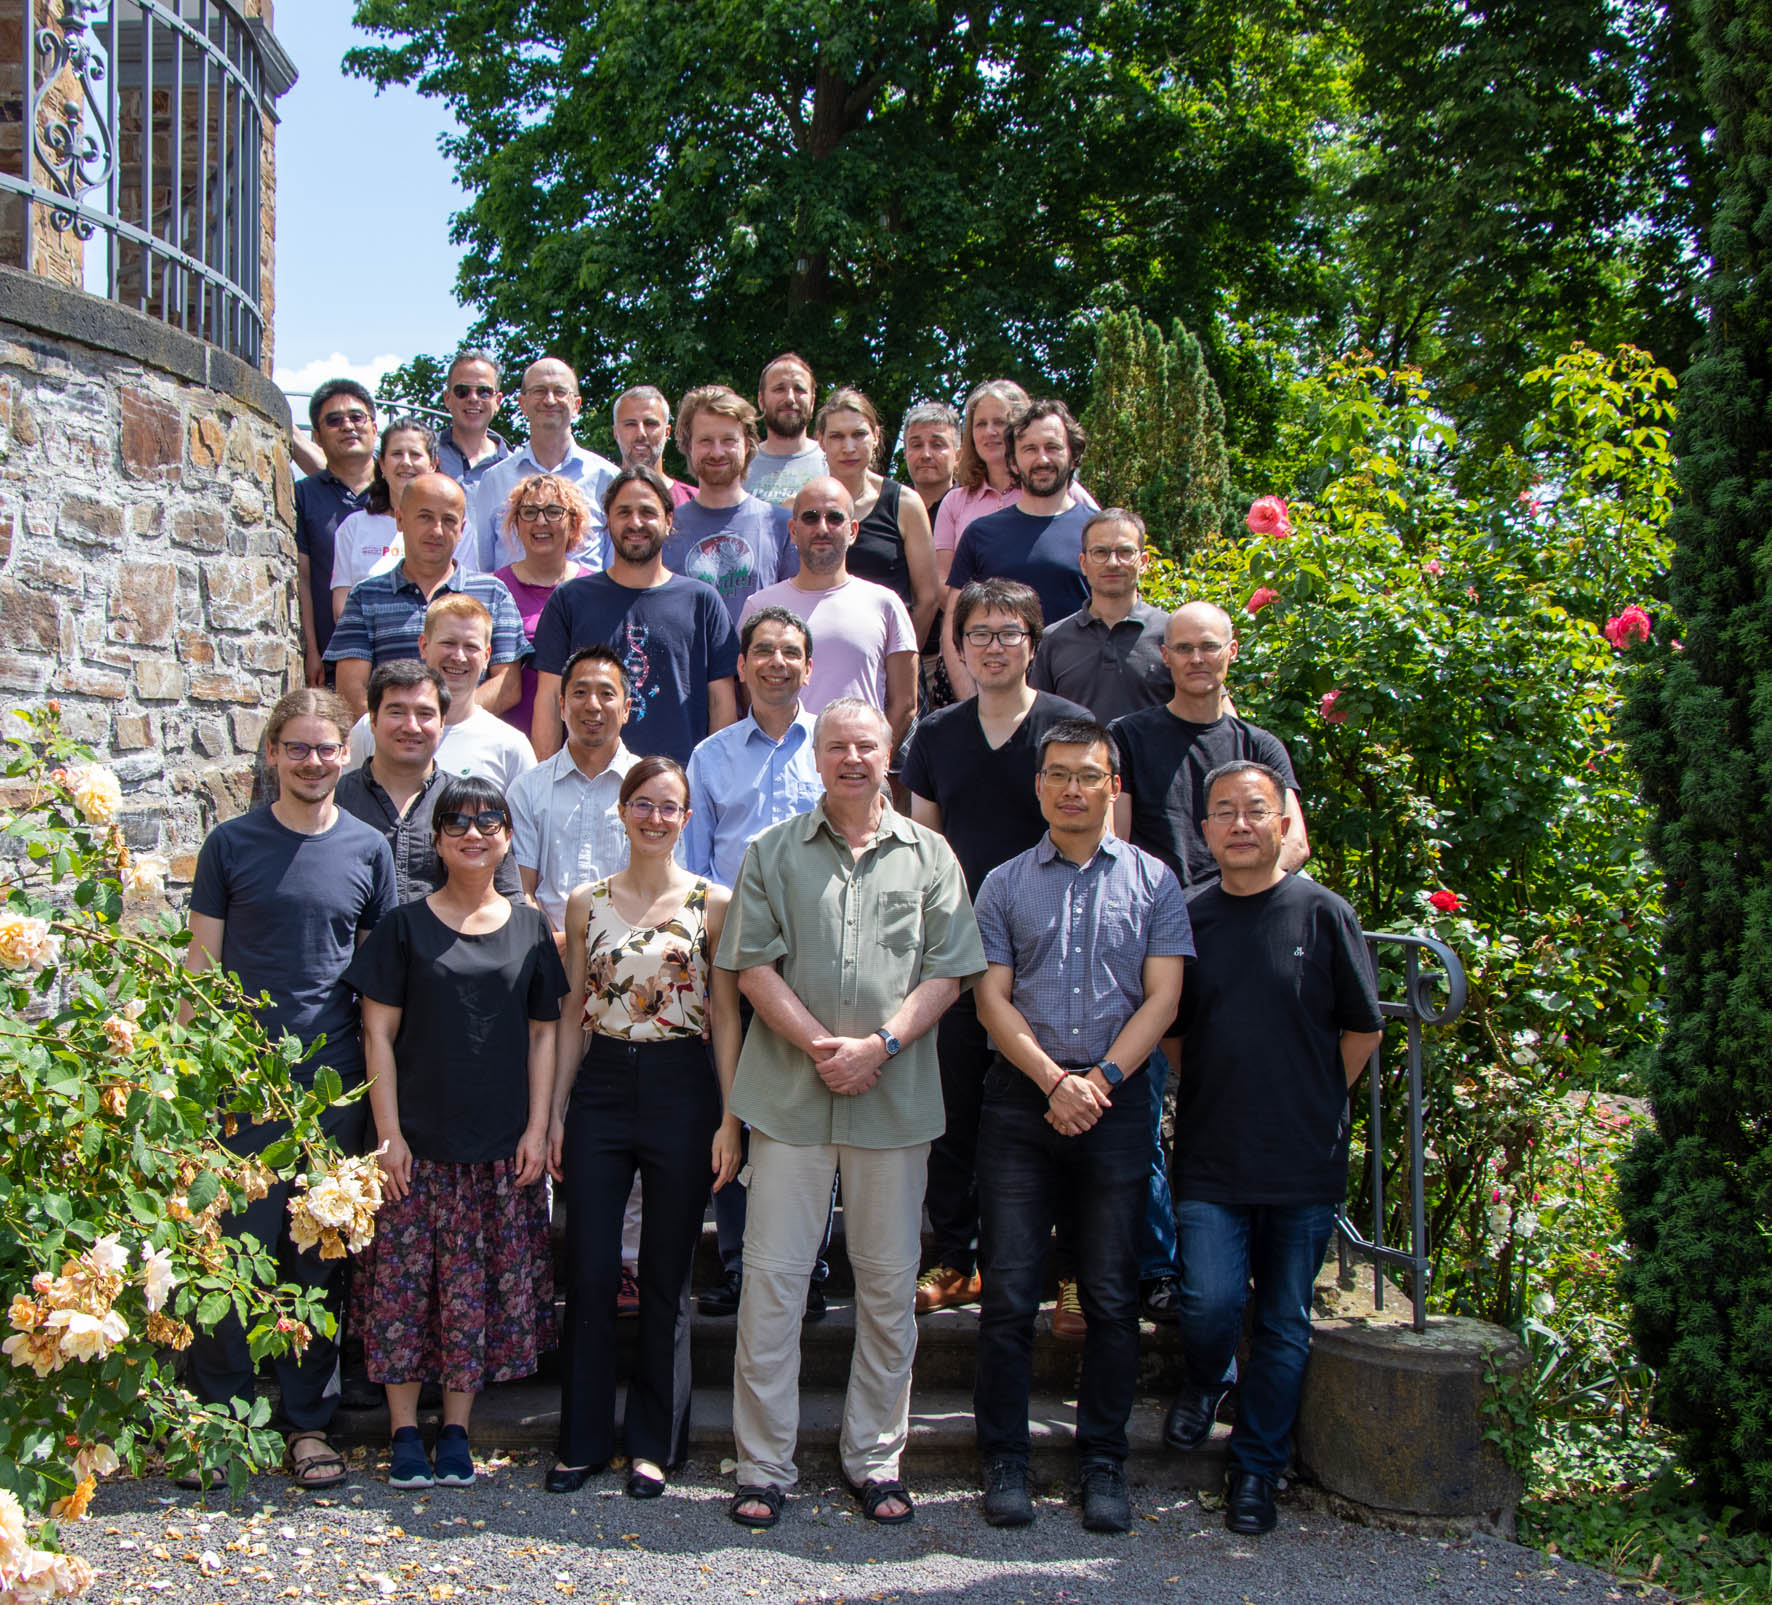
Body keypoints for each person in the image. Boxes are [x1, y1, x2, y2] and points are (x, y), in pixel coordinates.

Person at [717, 699, 986, 1531]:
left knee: (888, 1288)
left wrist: (880, 1045)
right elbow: (752, 966)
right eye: (836, 745)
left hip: (894, 1103)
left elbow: (949, 971)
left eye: (866, 744)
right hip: (790, 1101)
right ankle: (763, 1465)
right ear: (818, 757)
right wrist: (824, 1047)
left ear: (888, 751)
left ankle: (875, 1459)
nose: (852, 758)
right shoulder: (773, 850)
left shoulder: (931, 855)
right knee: (772, 1286)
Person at [970, 718, 1191, 1533]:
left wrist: (1096, 1082)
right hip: (1021, 1097)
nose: (1072, 788)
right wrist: (1053, 1081)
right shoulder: (1002, 884)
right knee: (1010, 1292)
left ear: (1112, 786)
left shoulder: (1154, 881)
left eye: (1088, 775)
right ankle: (1005, 1457)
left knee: (1108, 1292)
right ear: (1039, 786)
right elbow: (990, 1000)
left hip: (1116, 1098)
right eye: (1058, 774)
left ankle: (1103, 1460)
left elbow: (1163, 998)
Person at [183, 688, 397, 1490]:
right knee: (232, 1253)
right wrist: (187, 1080)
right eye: (298, 747)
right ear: (272, 752)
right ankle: (220, 1427)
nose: (313, 761)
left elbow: (377, 989)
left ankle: (308, 1424)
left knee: (316, 1257)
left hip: (331, 1090)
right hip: (242, 1086)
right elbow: (200, 967)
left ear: (346, 754)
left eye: (327, 748)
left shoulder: (369, 850)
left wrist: (380, 1100)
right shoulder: (230, 844)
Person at [1164, 760, 1383, 1536]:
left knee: (1285, 1320)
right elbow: (1175, 1033)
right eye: (1224, 811)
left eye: (1255, 809)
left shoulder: (1324, 913)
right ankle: (1206, 1378)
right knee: (1211, 1301)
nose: (1240, 823)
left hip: (1302, 1157)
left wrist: (1314, 1094)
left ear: (1283, 823)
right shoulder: (1188, 916)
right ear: (1205, 830)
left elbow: (1363, 1028)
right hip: (1213, 1151)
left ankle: (1256, 1467)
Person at [348, 776, 567, 1489]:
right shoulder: (403, 926)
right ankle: (403, 1430)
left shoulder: (531, 928)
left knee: (472, 1292)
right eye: (457, 823)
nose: (474, 833)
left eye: (488, 820)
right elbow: (377, 1035)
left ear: (508, 835)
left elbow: (544, 1034)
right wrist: (388, 1134)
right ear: (438, 841)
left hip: (498, 1147)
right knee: (403, 1292)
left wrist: (538, 1126)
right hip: (416, 1145)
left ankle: (456, 1430)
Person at [546, 758, 742, 1498]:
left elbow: (727, 1017)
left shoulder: (712, 903)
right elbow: (571, 1014)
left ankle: (654, 1444)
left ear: (687, 819)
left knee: (666, 1274)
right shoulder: (584, 903)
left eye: (670, 807)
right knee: (592, 1269)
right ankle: (583, 1440)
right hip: (600, 1085)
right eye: (643, 804)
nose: (655, 817)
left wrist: (730, 1117)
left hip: (681, 1086)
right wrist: (556, 1111)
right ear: (623, 811)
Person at [901, 580, 1089, 1319]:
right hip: (959, 952)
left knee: (1059, 1104)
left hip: (1053, 952)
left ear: (1033, 644)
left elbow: (1098, 838)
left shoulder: (1070, 727)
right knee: (954, 1109)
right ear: (959, 647)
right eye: (978, 633)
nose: (993, 646)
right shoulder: (936, 736)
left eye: (1010, 632)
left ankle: (1068, 1269)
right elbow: (926, 849)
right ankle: (956, 1258)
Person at [681, 607, 830, 1321]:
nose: (776, 662)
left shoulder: (833, 746)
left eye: (790, 651)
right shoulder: (710, 757)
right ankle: (741, 1264)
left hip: (817, 958)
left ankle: (810, 1268)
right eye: (762, 651)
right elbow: (693, 867)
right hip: (734, 960)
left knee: (810, 1113)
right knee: (735, 1109)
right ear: (740, 666)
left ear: (809, 666)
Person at [530, 467, 740, 765]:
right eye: (624, 512)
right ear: (608, 520)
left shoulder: (702, 602)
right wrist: (545, 781)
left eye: (647, 512)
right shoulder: (570, 600)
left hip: (678, 784)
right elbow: (551, 700)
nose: (635, 522)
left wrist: (715, 781)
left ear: (669, 520)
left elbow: (721, 705)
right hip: (588, 782)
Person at [1109, 601, 1311, 896]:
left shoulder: (1259, 747)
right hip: (1157, 906)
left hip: (1244, 904)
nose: (1196, 659)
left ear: (1232, 651)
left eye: (1209, 647)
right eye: (1184, 648)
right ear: (1165, 655)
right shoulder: (1126, 736)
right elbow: (1116, 841)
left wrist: (1237, 897)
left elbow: (1294, 843)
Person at [325, 473, 529, 720]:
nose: (437, 530)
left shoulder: (494, 593)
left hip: (468, 737)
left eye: (449, 520)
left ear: (462, 529)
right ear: (400, 520)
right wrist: (404, 729)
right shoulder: (365, 596)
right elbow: (351, 688)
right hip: (390, 739)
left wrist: (442, 724)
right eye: (425, 517)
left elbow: (507, 684)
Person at [739, 476, 918, 752]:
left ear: (853, 530)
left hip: (855, 770)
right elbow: (747, 695)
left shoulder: (886, 603)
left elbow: (905, 703)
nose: (822, 528)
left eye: (834, 518)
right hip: (776, 767)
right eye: (810, 517)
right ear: (793, 530)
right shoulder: (759, 606)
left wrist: (874, 759)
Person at [335, 659, 526, 906]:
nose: (411, 726)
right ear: (372, 720)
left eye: (425, 714)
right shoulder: (337, 802)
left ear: (442, 723)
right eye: (396, 712)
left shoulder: (470, 804)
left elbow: (510, 901)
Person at [942, 400, 1094, 698]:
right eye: (1029, 449)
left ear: (1073, 455)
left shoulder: (1095, 533)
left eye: (1053, 447)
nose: (1042, 459)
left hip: (1079, 699)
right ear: (1012, 461)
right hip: (998, 702)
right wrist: (973, 706)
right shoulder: (981, 534)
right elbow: (953, 629)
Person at [508, 646, 638, 936]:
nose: (592, 705)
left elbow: (664, 885)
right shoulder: (528, 789)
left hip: (631, 950)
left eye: (606, 694)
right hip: (544, 948)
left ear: (626, 709)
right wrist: (555, 944)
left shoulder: (649, 789)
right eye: (580, 693)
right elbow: (520, 888)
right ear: (562, 705)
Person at [345, 596, 536, 790]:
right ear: (424, 646)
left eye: (471, 646)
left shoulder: (510, 746)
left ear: (486, 656)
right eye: (448, 643)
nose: (459, 657)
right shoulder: (372, 729)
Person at [814, 387, 938, 648]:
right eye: (837, 436)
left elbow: (928, 598)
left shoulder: (906, 504)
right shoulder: (801, 508)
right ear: (821, 441)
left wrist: (900, 658)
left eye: (859, 434)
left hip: (891, 656)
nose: (849, 447)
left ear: (876, 436)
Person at [468, 358, 618, 572]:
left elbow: (615, 568)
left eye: (560, 391)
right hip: (510, 595)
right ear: (522, 403)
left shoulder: (608, 479)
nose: (549, 400)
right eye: (539, 391)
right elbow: (483, 567)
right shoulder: (494, 480)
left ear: (576, 405)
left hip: (588, 594)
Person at [664, 386, 797, 626]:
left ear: (747, 444)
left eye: (728, 440)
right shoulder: (666, 530)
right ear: (688, 446)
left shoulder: (781, 526)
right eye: (705, 441)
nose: (717, 452)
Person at [1030, 507, 1173, 723]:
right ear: (1083, 563)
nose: (1113, 562)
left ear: (1143, 562)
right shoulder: (1054, 639)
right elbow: (1038, 720)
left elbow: (1207, 708)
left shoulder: (1172, 633)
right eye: (1100, 552)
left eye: (1125, 552)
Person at [491, 475, 593, 740]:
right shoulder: (493, 590)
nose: (540, 521)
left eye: (553, 511)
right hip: (510, 739)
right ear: (516, 523)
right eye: (529, 512)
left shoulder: (595, 589)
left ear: (573, 522)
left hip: (579, 740)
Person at [294, 380, 377, 684]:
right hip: (333, 660)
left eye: (357, 417)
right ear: (317, 437)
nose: (347, 426)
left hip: (398, 652)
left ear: (374, 428)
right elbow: (302, 578)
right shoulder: (303, 495)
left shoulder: (401, 493)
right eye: (334, 420)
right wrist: (311, 650)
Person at [330, 420, 440, 620]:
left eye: (415, 454)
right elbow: (342, 608)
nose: (406, 462)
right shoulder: (353, 527)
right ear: (382, 464)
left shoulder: (452, 528)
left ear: (433, 464)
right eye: (397, 454)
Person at [744, 352, 827, 506]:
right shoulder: (740, 465)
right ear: (761, 400)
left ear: (812, 402)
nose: (790, 398)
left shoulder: (832, 463)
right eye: (779, 389)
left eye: (799, 389)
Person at [435, 349, 512, 494]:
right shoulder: (425, 454)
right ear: (447, 398)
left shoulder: (514, 466)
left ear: (498, 401)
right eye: (462, 391)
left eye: (484, 392)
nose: (473, 398)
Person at [613, 385, 697, 507]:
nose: (640, 433)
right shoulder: (596, 500)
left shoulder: (694, 502)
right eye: (630, 424)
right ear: (615, 432)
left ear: (667, 432)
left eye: (650, 424)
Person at [901, 401, 961, 520]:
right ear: (906, 454)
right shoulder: (892, 510)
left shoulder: (974, 509)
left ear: (958, 456)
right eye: (917, 445)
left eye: (937, 445)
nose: (926, 455)